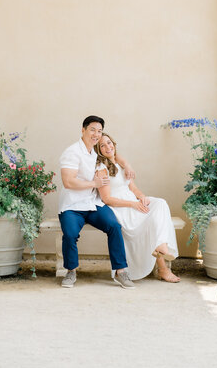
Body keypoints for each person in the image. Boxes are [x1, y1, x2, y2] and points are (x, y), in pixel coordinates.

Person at [59, 115, 136, 289]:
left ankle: (121, 271)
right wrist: (94, 183)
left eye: (99, 131)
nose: (96, 134)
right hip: (72, 206)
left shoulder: (95, 152)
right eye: (92, 129)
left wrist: (128, 166)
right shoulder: (72, 152)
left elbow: (115, 154)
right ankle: (71, 271)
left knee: (114, 227)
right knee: (70, 234)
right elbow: (68, 181)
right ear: (83, 130)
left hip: (93, 204)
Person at [94, 133, 180, 283]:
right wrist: (133, 204)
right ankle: (163, 269)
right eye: (103, 145)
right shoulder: (102, 169)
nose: (108, 147)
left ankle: (161, 245)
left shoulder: (121, 165)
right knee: (151, 221)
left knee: (160, 204)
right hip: (121, 208)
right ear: (99, 150)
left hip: (133, 202)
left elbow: (133, 189)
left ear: (114, 144)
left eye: (109, 143)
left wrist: (142, 197)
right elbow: (106, 199)